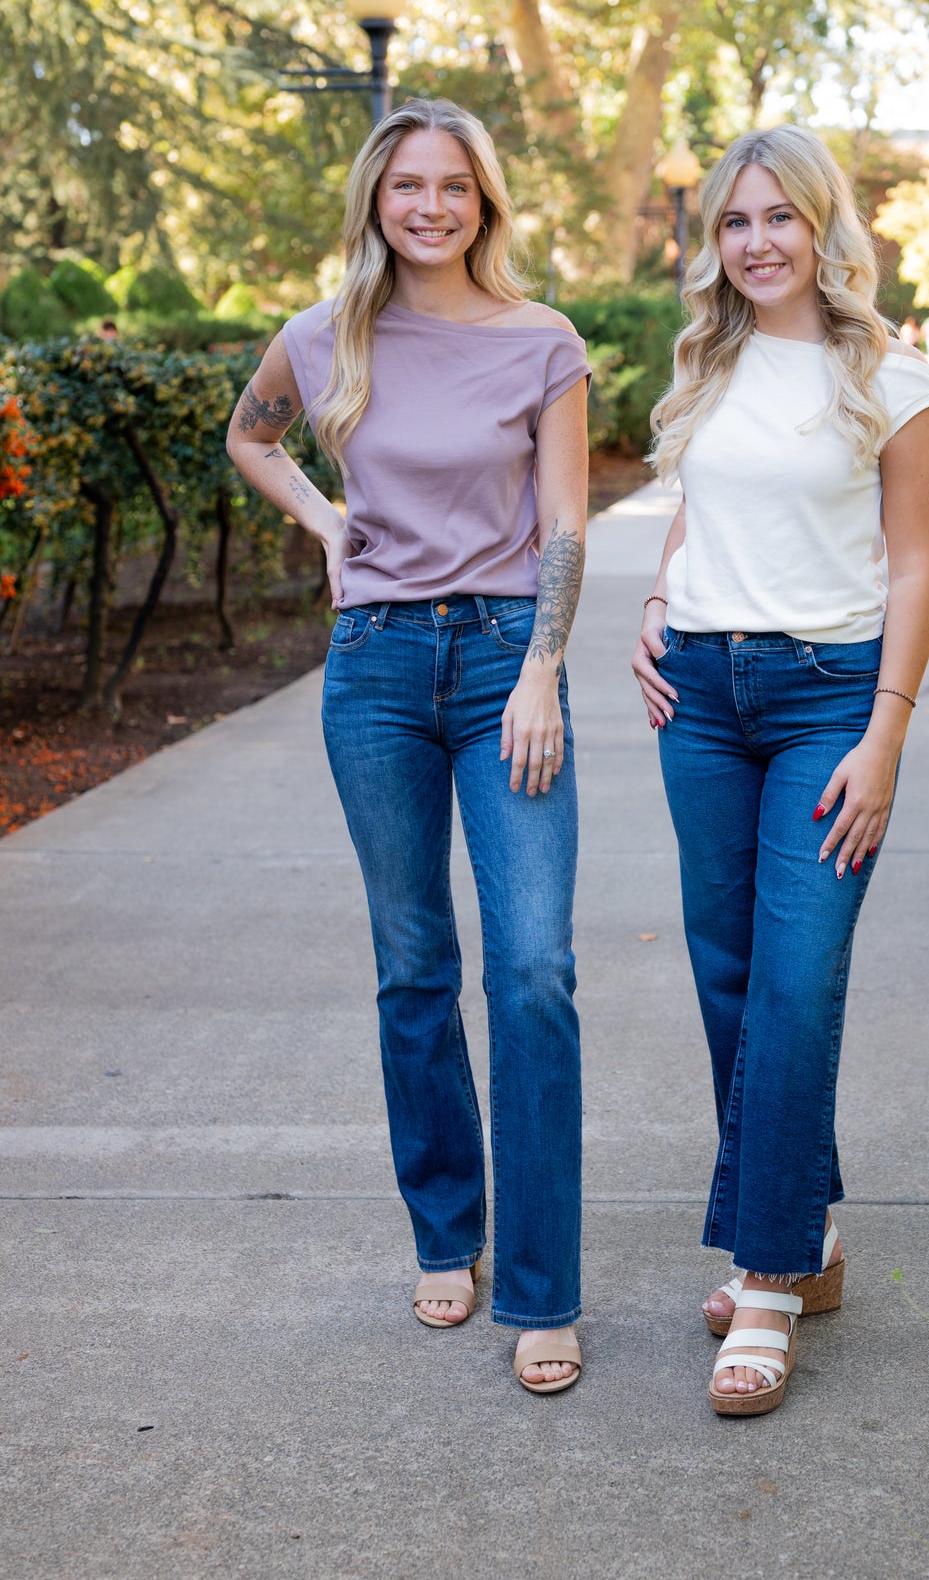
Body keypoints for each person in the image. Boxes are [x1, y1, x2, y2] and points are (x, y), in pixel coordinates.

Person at [226, 97, 590, 1395]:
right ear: (376, 201)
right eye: (408, 187)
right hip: (375, 670)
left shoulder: (543, 341)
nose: (430, 207)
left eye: (454, 187)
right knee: (413, 965)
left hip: (506, 660)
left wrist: (543, 666)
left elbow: (562, 529)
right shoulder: (323, 339)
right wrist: (328, 527)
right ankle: (450, 1228)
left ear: (484, 201)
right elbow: (247, 435)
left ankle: (543, 1288)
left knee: (535, 967)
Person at [631, 125, 929, 1417]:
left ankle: (763, 1278)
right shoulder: (706, 364)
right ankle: (805, 1240)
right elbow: (703, 506)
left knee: (799, 983)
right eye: (734, 221)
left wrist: (885, 736)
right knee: (730, 979)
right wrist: (658, 596)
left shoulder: (897, 378)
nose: (757, 242)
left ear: (827, 228)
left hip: (830, 703)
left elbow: (917, 565)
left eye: (780, 217)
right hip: (701, 700)